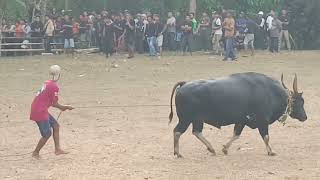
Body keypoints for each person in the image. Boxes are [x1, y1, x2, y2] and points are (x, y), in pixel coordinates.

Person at [30, 65, 74, 159]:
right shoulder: (54, 87)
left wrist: (63, 107)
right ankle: (35, 153)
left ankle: (57, 149)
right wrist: (65, 107)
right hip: (40, 111)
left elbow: (53, 103)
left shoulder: (47, 83)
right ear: (59, 75)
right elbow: (55, 103)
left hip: (38, 108)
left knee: (56, 126)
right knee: (47, 134)